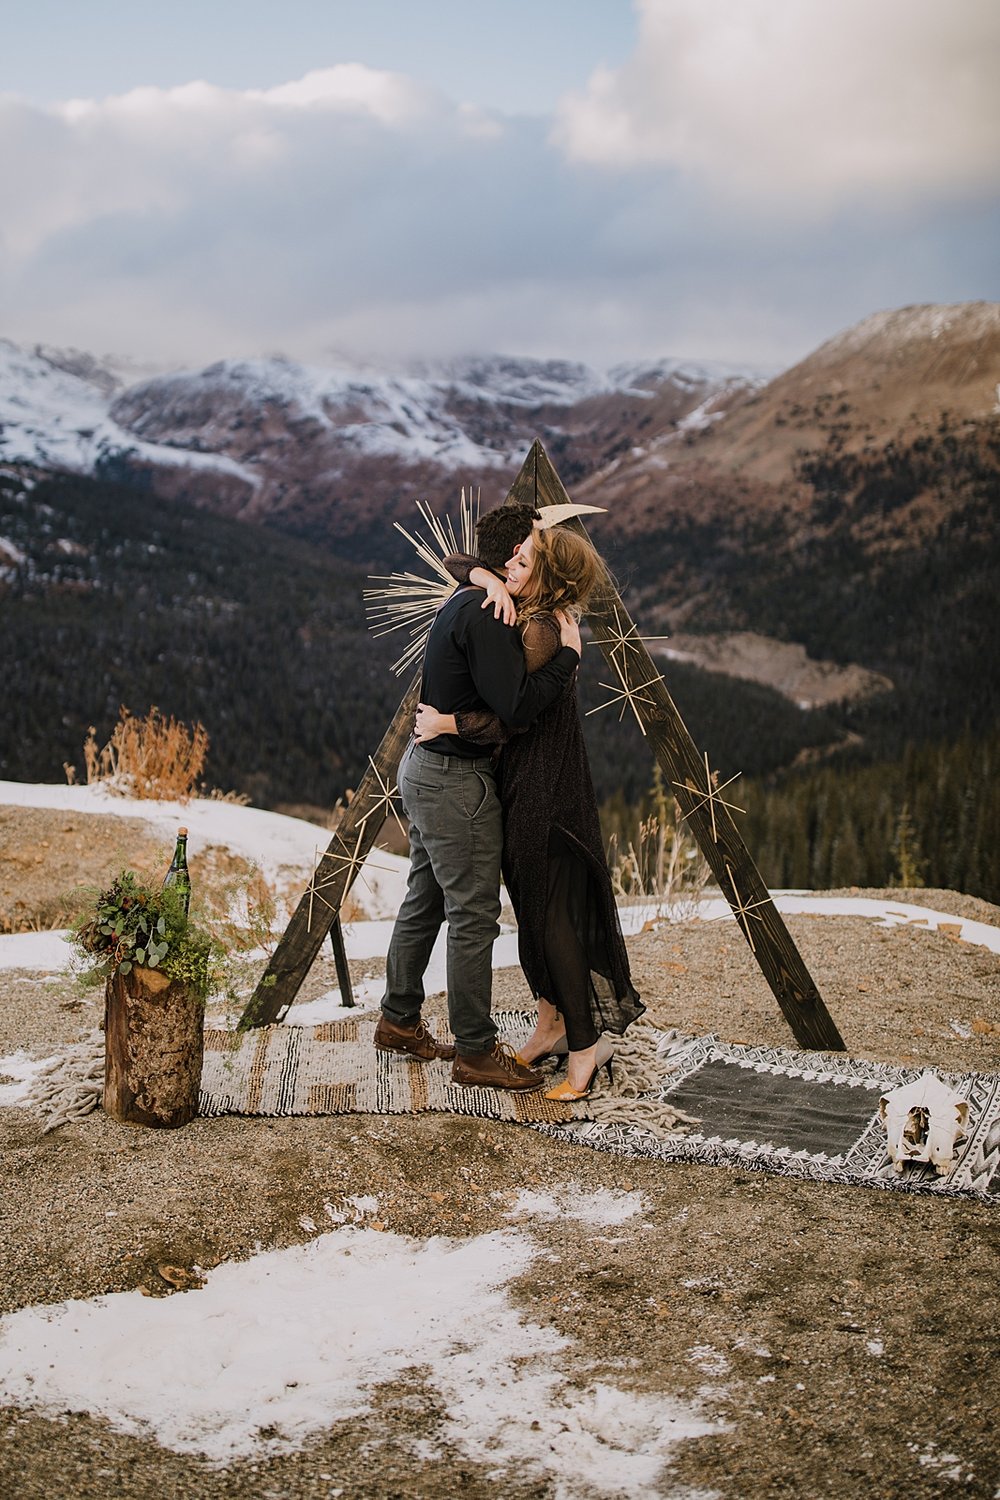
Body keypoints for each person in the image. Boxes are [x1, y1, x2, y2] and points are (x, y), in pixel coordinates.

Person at [415, 516, 644, 1101]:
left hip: (543, 785)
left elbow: (516, 714)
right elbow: (464, 565)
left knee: (551, 916)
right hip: (527, 781)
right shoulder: (530, 611)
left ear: (546, 578)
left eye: (523, 561)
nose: (511, 563)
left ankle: (584, 1048)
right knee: (535, 905)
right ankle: (551, 1023)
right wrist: (480, 576)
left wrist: (449, 722)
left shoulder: (544, 631)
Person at [377, 505, 583, 1093]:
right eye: (520, 554)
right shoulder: (493, 613)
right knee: (473, 916)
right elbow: (516, 709)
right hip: (454, 783)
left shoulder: (469, 594)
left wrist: (479, 574)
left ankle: (397, 1019)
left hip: (423, 772)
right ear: (510, 554)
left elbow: (463, 565)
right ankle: (474, 1051)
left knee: (426, 897)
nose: (523, 564)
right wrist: (567, 658)